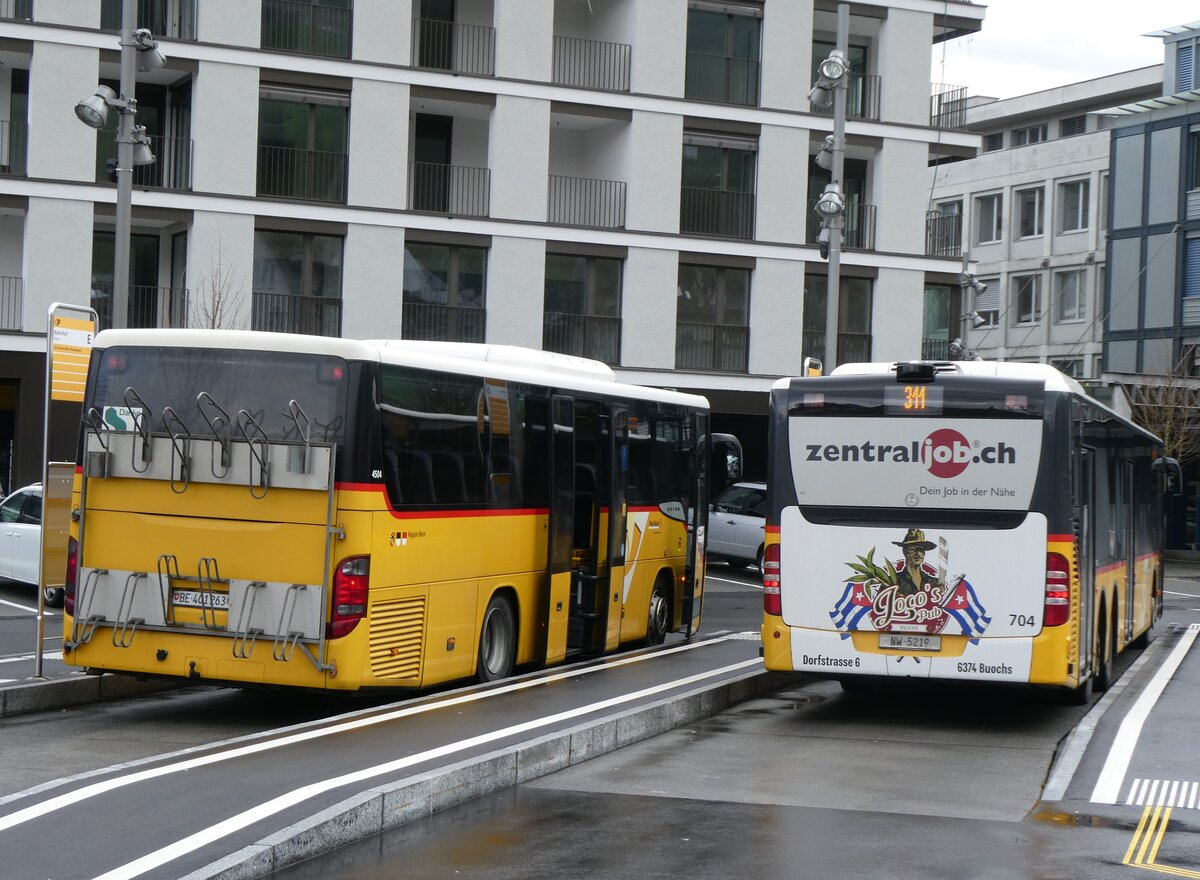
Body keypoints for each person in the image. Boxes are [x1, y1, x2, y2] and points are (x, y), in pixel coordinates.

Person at [892, 528, 941, 597]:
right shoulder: (893, 581)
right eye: (913, 549)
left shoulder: (933, 582)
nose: (917, 554)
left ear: (924, 553)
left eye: (920, 550)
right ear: (905, 552)